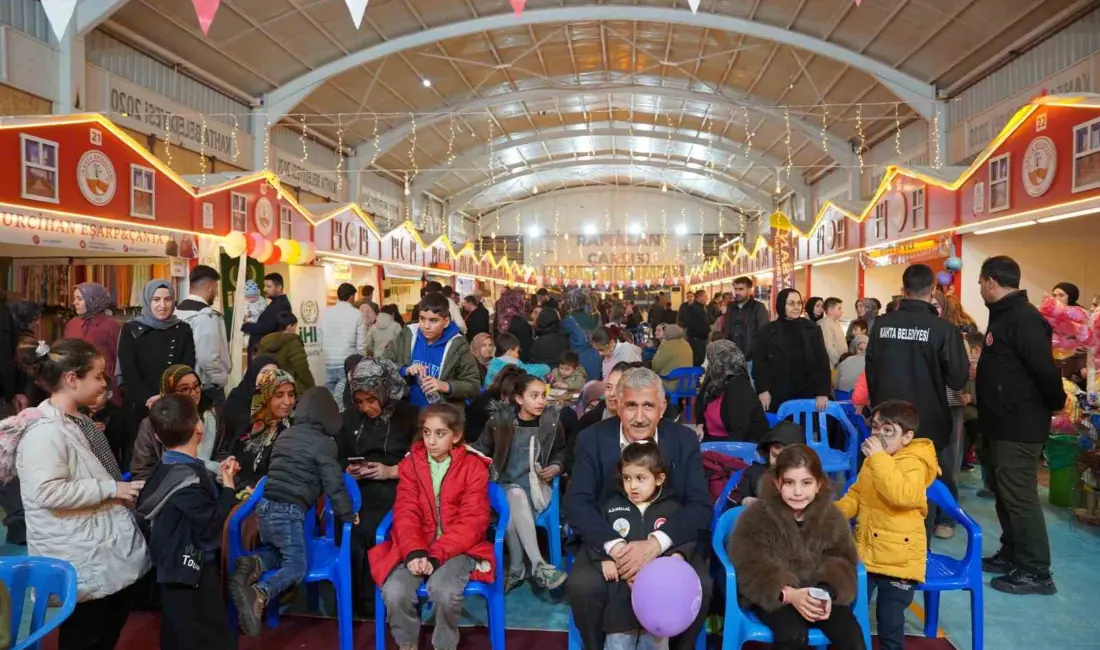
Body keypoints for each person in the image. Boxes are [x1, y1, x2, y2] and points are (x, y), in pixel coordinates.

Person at [8, 338, 150, 650]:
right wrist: (111, 488)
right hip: (78, 549)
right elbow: (49, 491)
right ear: (72, 379)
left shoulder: (77, 420)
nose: (104, 383)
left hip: (93, 542)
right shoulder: (45, 432)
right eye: (98, 376)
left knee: (104, 625)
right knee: (87, 632)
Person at [564, 367, 712, 650]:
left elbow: (699, 505)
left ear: (663, 407)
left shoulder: (683, 440)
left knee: (701, 586)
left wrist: (656, 545)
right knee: (584, 587)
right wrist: (618, 549)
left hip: (666, 535)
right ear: (618, 404)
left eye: (648, 406)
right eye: (631, 405)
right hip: (606, 540)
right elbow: (577, 504)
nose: (640, 416)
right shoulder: (591, 440)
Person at [230, 387, 357, 635]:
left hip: (264, 509)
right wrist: (348, 513)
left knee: (278, 554)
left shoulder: (285, 436)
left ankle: (254, 563)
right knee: (296, 566)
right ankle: (259, 594)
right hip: (289, 512)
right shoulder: (325, 444)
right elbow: (334, 484)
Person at [372, 404, 495, 650]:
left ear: (456, 436)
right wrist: (415, 551)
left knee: (444, 591)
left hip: (460, 548)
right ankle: (407, 645)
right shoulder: (411, 465)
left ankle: (444, 645)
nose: (431, 440)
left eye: (440, 434)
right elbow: (406, 513)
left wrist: (437, 555)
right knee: (395, 591)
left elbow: (473, 522)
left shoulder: (473, 467)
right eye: (427, 432)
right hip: (417, 545)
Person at [976, 256, 1064, 595]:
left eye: (981, 282)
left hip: (1018, 426)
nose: (981, 288)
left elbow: (1044, 371)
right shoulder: (1005, 317)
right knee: (1005, 494)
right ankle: (1013, 552)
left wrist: (1054, 403)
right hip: (1000, 423)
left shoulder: (1024, 319)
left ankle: (1036, 571)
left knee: (1020, 497)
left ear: (992, 281)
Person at [727, 445, 865, 650]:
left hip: (817, 591)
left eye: (806, 483)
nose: (798, 492)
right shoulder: (756, 517)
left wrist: (827, 592)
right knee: (792, 634)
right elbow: (748, 565)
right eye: (789, 483)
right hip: (776, 595)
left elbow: (842, 559)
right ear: (776, 482)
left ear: (818, 484)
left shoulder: (832, 517)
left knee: (851, 635)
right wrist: (789, 594)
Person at [864, 264, 968, 534]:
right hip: (929, 418)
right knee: (927, 474)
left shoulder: (882, 325)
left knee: (886, 471)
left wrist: (877, 412)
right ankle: (936, 526)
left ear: (903, 289)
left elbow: (871, 371)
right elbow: (958, 378)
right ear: (932, 290)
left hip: (887, 418)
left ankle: (887, 532)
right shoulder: (944, 330)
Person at [136, 394, 240, 650]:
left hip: (167, 565)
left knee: (176, 632)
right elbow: (212, 526)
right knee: (209, 637)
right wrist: (228, 488)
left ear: (158, 437)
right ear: (200, 429)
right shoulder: (189, 480)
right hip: (191, 570)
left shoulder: (163, 468)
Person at [835, 400, 938, 650]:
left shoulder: (914, 463)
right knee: (848, 607)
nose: (879, 434)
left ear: (907, 436)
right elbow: (857, 495)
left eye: (888, 429)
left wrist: (879, 458)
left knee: (890, 621)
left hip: (899, 560)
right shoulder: (873, 461)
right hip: (868, 552)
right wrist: (833, 513)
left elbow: (901, 495)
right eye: (875, 427)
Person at [594, 442, 697, 650]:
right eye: (627, 478)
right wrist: (603, 559)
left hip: (659, 605)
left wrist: (678, 556)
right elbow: (595, 535)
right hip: (620, 602)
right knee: (617, 644)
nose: (632, 486)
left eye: (640, 478)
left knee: (655, 645)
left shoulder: (673, 509)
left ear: (659, 479)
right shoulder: (611, 506)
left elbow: (688, 537)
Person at [338, 357, 420, 614]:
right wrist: (348, 470)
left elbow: (423, 458)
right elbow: (338, 455)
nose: (366, 408)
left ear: (385, 390)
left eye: (371, 400)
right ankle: (355, 601)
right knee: (349, 526)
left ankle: (379, 600)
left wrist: (391, 471)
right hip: (360, 488)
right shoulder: (350, 418)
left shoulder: (409, 415)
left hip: (399, 486)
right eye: (360, 402)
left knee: (373, 527)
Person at [475, 373, 568, 591]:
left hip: (537, 489)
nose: (541, 401)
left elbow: (562, 451)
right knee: (513, 496)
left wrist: (556, 466)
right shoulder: (499, 422)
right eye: (533, 396)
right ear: (519, 399)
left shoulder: (551, 421)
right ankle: (538, 564)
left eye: (543, 396)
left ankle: (517, 568)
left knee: (510, 514)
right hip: (503, 485)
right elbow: (479, 451)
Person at [118, 280, 197, 470]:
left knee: (173, 452)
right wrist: (149, 398)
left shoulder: (182, 328)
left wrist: (165, 397)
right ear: (147, 301)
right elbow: (129, 368)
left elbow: (186, 366)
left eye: (168, 299)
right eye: (156, 299)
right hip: (140, 404)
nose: (162, 305)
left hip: (173, 402)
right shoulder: (131, 329)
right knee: (141, 454)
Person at [131, 365, 231, 482]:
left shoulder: (213, 415)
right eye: (185, 389)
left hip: (210, 483)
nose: (194, 393)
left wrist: (222, 470)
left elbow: (221, 452)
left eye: (196, 386)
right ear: (170, 393)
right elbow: (142, 471)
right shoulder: (152, 424)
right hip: (168, 487)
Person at [384, 293, 482, 410]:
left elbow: (474, 386)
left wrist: (445, 386)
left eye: (433, 320)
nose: (426, 326)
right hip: (406, 412)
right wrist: (405, 369)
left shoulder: (458, 345)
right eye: (422, 319)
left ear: (445, 322)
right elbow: (383, 363)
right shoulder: (407, 335)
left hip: (441, 417)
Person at [752, 288, 831, 413]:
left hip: (807, 393)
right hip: (776, 394)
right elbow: (760, 364)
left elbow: (821, 362)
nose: (796, 307)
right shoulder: (767, 331)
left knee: (806, 429)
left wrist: (823, 392)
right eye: (791, 303)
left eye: (799, 303)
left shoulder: (812, 329)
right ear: (781, 304)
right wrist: (763, 390)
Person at [231, 368, 297, 488]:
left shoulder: (293, 431)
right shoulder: (247, 424)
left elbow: (278, 478)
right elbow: (234, 457)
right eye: (279, 395)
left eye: (291, 395)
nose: (287, 401)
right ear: (265, 397)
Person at [175, 265, 231, 406]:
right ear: (209, 286)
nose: (216, 293)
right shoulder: (206, 316)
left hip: (182, 383)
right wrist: (220, 380)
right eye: (216, 287)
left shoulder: (176, 313)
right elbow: (208, 358)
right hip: (206, 386)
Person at [695, 340, 768, 443]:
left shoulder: (738, 387)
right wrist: (700, 425)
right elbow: (701, 405)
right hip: (714, 440)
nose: (708, 365)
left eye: (710, 360)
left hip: (741, 445)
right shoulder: (713, 380)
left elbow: (739, 432)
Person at [63, 283, 122, 403]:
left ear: (93, 300)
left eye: (79, 299)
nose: (75, 303)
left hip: (104, 386)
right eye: (75, 299)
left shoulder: (111, 326)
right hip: (76, 386)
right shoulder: (72, 324)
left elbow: (119, 357)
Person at [730, 421, 804, 507]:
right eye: (774, 455)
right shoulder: (755, 472)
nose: (776, 462)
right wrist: (746, 501)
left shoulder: (806, 477)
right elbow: (735, 500)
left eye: (783, 458)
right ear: (768, 450)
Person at [320, 283, 367, 392]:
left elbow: (321, 337)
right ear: (351, 296)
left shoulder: (326, 314)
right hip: (348, 363)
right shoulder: (357, 314)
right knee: (347, 399)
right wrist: (361, 363)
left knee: (331, 400)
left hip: (329, 362)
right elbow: (361, 344)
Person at [223, 355, 279, 442]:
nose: (270, 376)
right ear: (254, 374)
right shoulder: (238, 397)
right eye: (264, 372)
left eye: (275, 373)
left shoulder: (280, 399)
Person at [258, 312, 315, 392]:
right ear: (289, 326)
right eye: (295, 326)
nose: (296, 329)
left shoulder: (264, 342)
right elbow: (302, 368)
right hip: (292, 388)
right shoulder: (293, 342)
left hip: (271, 388)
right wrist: (311, 386)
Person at [242, 273, 293, 356]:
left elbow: (267, 327)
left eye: (268, 286)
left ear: (279, 288)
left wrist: (246, 326)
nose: (264, 289)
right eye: (264, 286)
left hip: (267, 354)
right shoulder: (276, 302)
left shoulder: (281, 304)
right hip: (262, 351)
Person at [724, 276, 770, 365]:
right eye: (735, 289)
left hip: (750, 359)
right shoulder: (731, 307)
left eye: (741, 289)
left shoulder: (758, 308)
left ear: (749, 290)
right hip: (731, 358)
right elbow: (726, 329)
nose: (737, 292)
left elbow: (763, 333)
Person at [484, 332, 552, 388]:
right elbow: (531, 371)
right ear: (510, 351)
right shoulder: (513, 366)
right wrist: (547, 367)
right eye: (517, 351)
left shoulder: (492, 364)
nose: (518, 355)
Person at [650, 324, 694, 393]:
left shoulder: (667, 345)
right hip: (688, 384)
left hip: (671, 384)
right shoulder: (686, 344)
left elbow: (655, 366)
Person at [495, 289, 533, 362]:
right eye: (523, 299)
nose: (524, 302)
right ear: (517, 302)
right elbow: (525, 351)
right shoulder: (520, 323)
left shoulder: (501, 318)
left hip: (501, 361)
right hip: (515, 363)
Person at [681, 290, 710, 366]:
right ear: (699, 297)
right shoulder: (693, 308)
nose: (707, 298)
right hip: (696, 339)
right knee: (695, 360)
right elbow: (689, 323)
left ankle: (696, 376)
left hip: (702, 339)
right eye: (705, 296)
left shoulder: (701, 307)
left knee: (700, 360)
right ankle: (693, 376)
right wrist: (703, 331)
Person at [818, 297, 847, 368]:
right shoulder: (825, 324)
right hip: (832, 365)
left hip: (840, 363)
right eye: (839, 308)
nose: (842, 311)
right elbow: (828, 346)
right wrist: (838, 361)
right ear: (830, 310)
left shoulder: (834, 323)